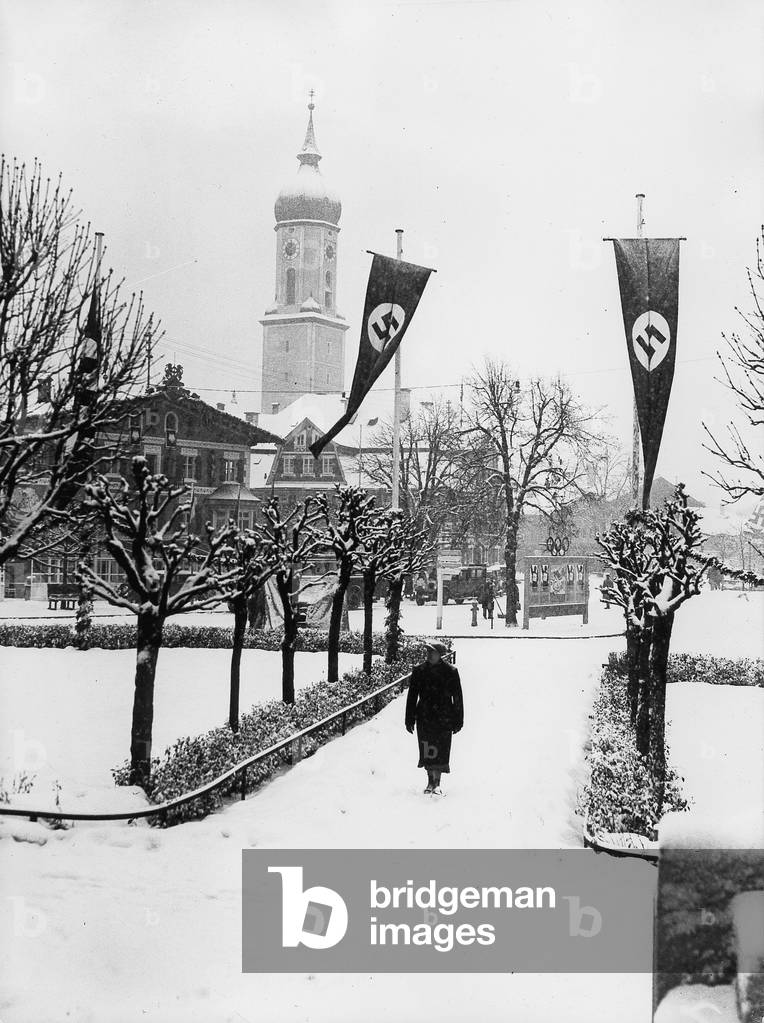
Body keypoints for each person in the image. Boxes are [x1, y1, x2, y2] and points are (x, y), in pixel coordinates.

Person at [405, 641, 463, 795]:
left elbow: (457, 697)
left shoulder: (450, 672)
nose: (430, 655)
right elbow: (412, 696)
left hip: (444, 717)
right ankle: (430, 781)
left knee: (442, 749)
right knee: (427, 748)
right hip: (425, 717)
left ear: (440, 654)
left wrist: (458, 720)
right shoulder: (419, 671)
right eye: (428, 652)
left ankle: (437, 783)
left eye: (433, 652)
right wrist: (409, 718)